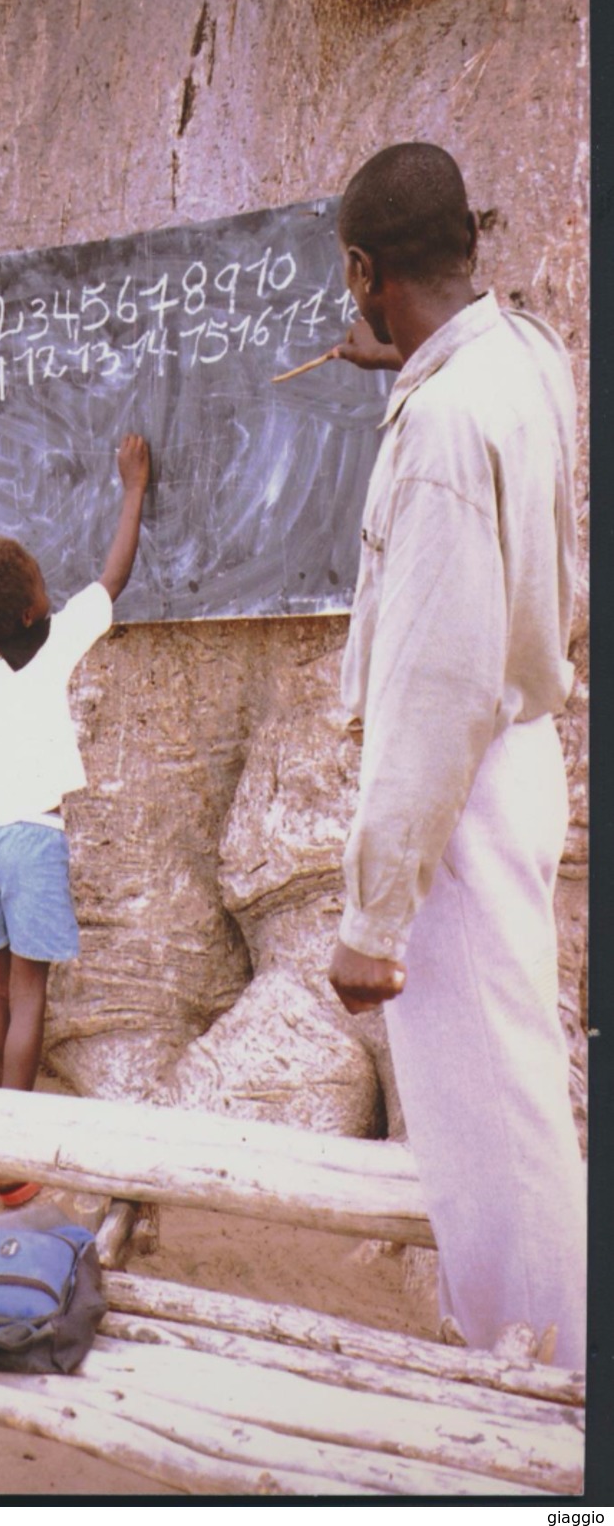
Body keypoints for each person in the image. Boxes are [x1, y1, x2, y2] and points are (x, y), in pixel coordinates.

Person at [326, 142, 585, 1370]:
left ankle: (537, 1374)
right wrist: (409, 365)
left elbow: (429, 698)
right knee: (518, 1069)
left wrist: (373, 920)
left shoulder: (439, 431)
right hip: (520, 758)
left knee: (492, 1121)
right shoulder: (522, 356)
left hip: (460, 791)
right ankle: (542, 1348)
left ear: (363, 271)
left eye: (354, 279)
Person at [0, 433, 151, 1209]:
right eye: (44, 585)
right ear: (30, 608)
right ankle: (13, 1157)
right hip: (31, 839)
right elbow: (113, 577)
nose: (52, 591)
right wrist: (132, 489)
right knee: (29, 993)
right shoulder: (48, 650)